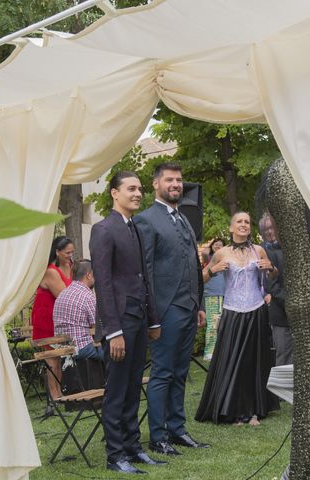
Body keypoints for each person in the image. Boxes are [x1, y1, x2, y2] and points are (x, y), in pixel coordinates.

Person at [90, 171, 166, 475]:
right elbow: (104, 284)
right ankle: (115, 454)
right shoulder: (103, 229)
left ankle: (134, 448)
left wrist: (153, 319)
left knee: (134, 387)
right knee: (118, 390)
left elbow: (144, 278)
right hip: (119, 324)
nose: (138, 193)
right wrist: (113, 331)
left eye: (140, 189)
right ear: (114, 193)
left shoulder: (135, 228)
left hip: (139, 320)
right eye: (131, 188)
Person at [134, 163, 209, 455]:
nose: (176, 184)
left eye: (179, 180)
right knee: (163, 373)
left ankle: (177, 430)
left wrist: (199, 305)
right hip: (165, 309)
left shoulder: (185, 219)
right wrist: (153, 316)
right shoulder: (146, 220)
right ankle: (158, 436)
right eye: (169, 180)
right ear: (156, 184)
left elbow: (194, 264)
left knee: (180, 372)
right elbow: (146, 272)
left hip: (189, 307)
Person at [195, 211, 280, 425]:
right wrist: (213, 270)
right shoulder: (221, 253)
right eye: (239, 222)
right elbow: (201, 279)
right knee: (232, 359)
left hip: (256, 310)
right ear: (231, 228)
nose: (243, 225)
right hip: (233, 311)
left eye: (247, 222)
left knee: (254, 360)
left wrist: (271, 268)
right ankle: (231, 408)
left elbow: (274, 274)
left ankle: (253, 411)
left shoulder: (258, 250)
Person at [31, 236, 73, 404]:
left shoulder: (69, 267)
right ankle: (54, 396)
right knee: (51, 357)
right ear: (57, 252)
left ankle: (60, 392)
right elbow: (65, 296)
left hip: (59, 317)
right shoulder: (51, 271)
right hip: (46, 316)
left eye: (73, 252)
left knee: (59, 355)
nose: (71, 255)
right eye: (67, 252)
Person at [258, 214, 293, 366]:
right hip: (280, 312)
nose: (270, 232)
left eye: (272, 228)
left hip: (298, 312)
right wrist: (289, 300)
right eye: (266, 230)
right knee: (283, 356)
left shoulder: (292, 249)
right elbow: (269, 284)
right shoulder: (264, 253)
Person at [53, 259, 103, 361]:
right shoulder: (87, 295)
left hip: (63, 350)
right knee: (114, 351)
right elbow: (98, 325)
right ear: (89, 275)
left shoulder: (64, 293)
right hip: (81, 348)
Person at [202, 238, 226, 360]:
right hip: (211, 295)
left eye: (220, 245)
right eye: (215, 245)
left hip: (225, 295)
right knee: (213, 324)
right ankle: (209, 352)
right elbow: (204, 253)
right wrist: (211, 250)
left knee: (223, 325)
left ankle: (220, 351)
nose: (218, 246)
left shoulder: (226, 260)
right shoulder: (209, 258)